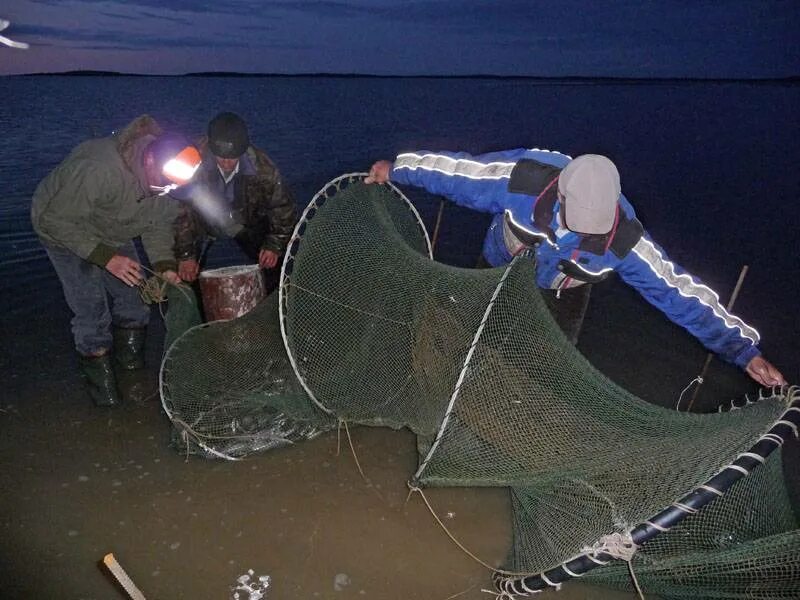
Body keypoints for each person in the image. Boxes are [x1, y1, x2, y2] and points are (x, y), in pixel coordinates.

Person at [366, 148, 786, 388]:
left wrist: (742, 351)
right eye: (576, 219)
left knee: (546, 365)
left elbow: (679, 294)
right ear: (561, 192)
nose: (583, 232)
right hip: (495, 268)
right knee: (467, 333)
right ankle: (454, 381)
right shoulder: (522, 179)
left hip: (560, 291)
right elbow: (454, 172)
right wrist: (397, 168)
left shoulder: (625, 240)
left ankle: (514, 404)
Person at [31, 115, 201, 407]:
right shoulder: (100, 168)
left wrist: (164, 267)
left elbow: (157, 224)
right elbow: (55, 219)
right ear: (149, 162)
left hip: (112, 225)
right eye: (166, 186)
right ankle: (105, 401)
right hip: (63, 228)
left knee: (136, 302)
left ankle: (132, 375)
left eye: (174, 188)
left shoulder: (171, 178)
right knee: (92, 313)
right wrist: (107, 258)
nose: (169, 191)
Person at [173, 112, 296, 285]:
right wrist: (186, 255)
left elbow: (282, 207)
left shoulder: (263, 168)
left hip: (246, 221)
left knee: (275, 267)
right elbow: (179, 211)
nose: (226, 163)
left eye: (232, 158)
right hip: (201, 220)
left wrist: (274, 245)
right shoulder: (190, 162)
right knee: (186, 274)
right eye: (221, 156)